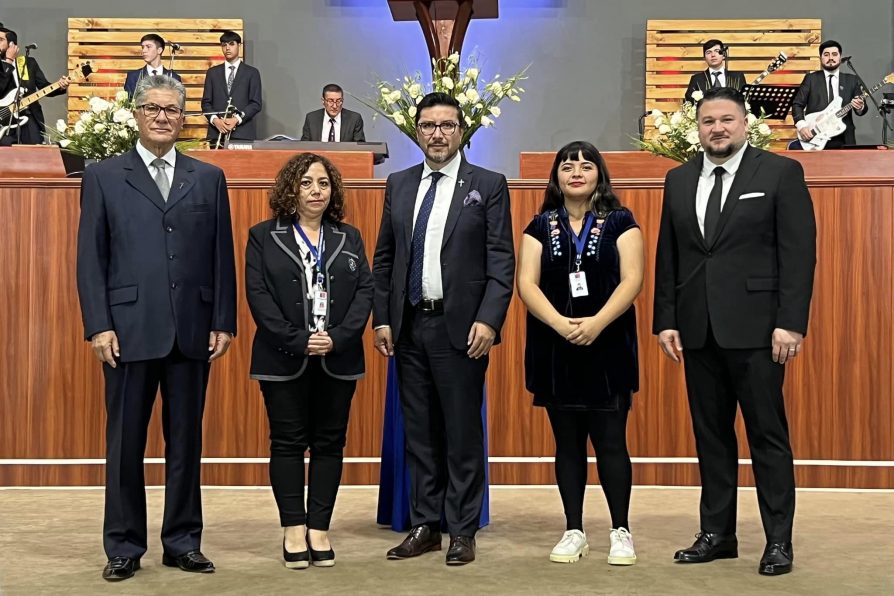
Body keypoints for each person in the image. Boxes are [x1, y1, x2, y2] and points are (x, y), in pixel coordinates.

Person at [76, 74, 237, 582]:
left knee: (186, 442)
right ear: (137, 114)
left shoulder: (207, 177)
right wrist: (99, 325)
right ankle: (123, 545)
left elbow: (221, 256)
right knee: (124, 443)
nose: (163, 116)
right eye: (153, 109)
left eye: (172, 109)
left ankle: (183, 541)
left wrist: (223, 320)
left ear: (183, 116)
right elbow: (90, 260)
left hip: (192, 330)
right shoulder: (103, 175)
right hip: (126, 331)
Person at [653, 87, 816, 576]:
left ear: (745, 124)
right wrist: (666, 319)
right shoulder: (678, 180)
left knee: (767, 437)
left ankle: (779, 541)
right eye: (707, 121)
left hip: (759, 331)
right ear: (696, 128)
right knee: (711, 436)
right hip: (698, 330)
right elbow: (670, 255)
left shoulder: (780, 172)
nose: (717, 128)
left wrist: (791, 322)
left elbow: (799, 254)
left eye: (726, 120)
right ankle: (718, 533)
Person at [372, 92, 514, 566]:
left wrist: (490, 320)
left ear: (461, 131)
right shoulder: (399, 183)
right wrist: (384, 318)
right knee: (420, 433)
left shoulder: (488, 184)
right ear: (417, 131)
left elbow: (501, 261)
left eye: (447, 125)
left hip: (463, 330)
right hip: (410, 326)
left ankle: (462, 530)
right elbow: (385, 259)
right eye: (429, 125)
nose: (438, 133)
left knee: (461, 433)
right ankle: (425, 525)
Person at [517, 141, 643, 566]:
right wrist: (560, 324)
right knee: (567, 444)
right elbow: (527, 284)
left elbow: (633, 279)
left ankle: (620, 531)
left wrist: (596, 323)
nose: (576, 172)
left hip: (608, 345)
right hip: (557, 347)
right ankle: (574, 530)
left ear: (599, 175)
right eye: (567, 166)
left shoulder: (622, 221)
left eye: (586, 166)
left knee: (611, 443)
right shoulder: (539, 225)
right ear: (555, 177)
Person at [245, 153, 373, 569]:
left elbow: (365, 294)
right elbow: (259, 297)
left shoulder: (348, 237)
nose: (315, 191)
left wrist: (336, 338)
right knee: (286, 443)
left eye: (322, 183)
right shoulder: (263, 236)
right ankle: (293, 528)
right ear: (290, 189)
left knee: (329, 444)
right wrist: (300, 340)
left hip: (338, 357)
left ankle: (319, 526)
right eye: (305, 183)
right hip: (283, 358)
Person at [0, 26, 70, 145]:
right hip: (5, 119)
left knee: (35, 151)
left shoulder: (28, 63)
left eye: (1, 39)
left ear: (12, 44)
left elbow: (44, 86)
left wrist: (61, 86)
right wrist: (8, 62)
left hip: (29, 115)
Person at [791, 39, 867, 148]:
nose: (830, 58)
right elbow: (797, 104)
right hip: (815, 136)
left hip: (844, 138)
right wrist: (802, 126)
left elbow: (862, 110)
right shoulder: (811, 79)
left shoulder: (852, 80)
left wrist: (860, 106)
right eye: (826, 55)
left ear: (840, 57)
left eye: (834, 54)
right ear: (820, 58)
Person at [201, 30, 262, 143]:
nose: (227, 48)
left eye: (231, 44)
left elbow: (255, 103)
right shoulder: (212, 73)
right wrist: (215, 120)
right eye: (224, 45)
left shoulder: (252, 73)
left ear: (239, 45)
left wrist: (237, 119)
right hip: (217, 133)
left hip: (243, 134)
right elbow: (206, 103)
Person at [684, 39, 745, 104]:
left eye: (716, 51)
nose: (713, 55)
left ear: (723, 55)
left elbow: (745, 100)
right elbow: (689, 102)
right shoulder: (697, 79)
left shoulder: (738, 77)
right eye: (708, 52)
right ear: (704, 58)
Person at [123, 34, 182, 99]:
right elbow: (127, 105)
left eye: (148, 47)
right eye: (143, 47)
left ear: (159, 50)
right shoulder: (133, 77)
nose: (144, 51)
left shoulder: (173, 77)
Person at [300, 83, 365, 142]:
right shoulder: (311, 118)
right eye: (330, 101)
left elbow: (360, 148)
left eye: (338, 101)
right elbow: (304, 146)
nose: (334, 106)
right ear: (323, 101)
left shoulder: (354, 119)